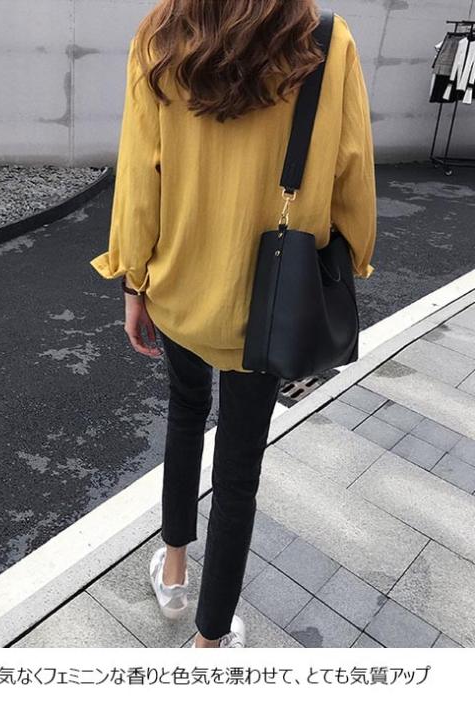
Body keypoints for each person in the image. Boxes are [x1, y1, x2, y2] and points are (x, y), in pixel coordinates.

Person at [89, 0, 377, 648]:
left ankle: (173, 573)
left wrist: (133, 280)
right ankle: (209, 644)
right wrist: (353, 257)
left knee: (185, 413)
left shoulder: (161, 35)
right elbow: (353, 169)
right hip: (271, 305)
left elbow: (139, 176)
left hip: (180, 290)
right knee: (240, 469)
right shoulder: (325, 39)